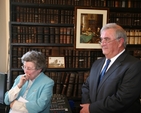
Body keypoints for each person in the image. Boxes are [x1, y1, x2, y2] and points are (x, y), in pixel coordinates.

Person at [80, 23, 141, 113]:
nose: (102, 43)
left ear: (120, 42)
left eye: (107, 39)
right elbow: (86, 87)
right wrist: (87, 104)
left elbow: (122, 99)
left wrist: (92, 108)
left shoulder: (134, 65)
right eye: (101, 40)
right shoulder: (97, 63)